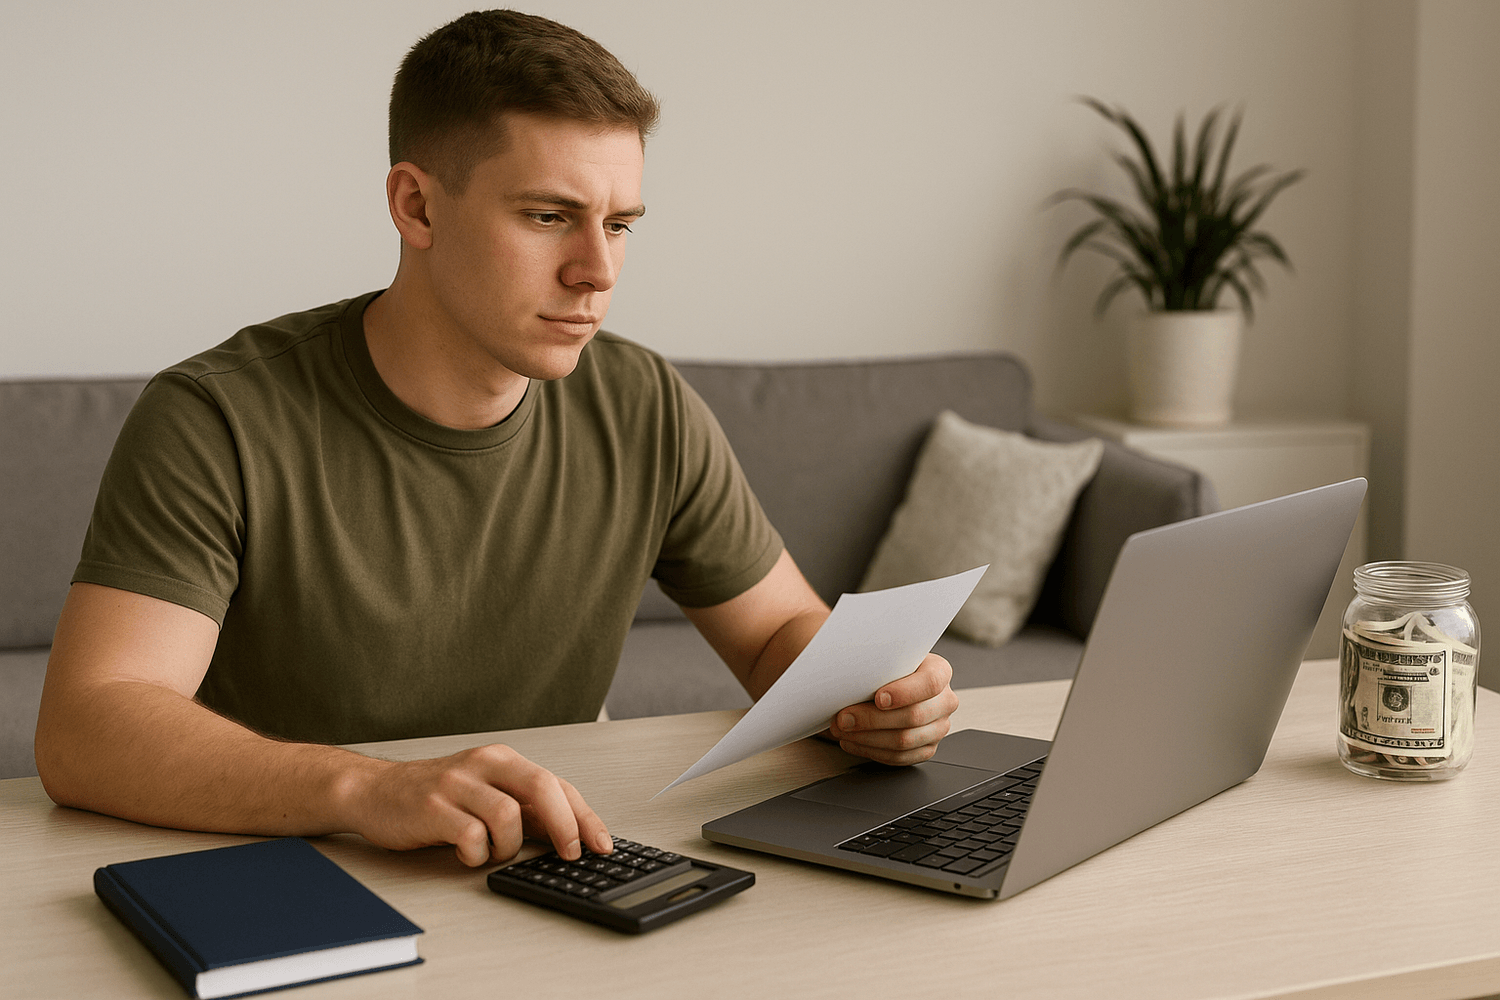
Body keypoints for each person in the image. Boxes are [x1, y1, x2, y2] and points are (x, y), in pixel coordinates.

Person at [34, 9, 957, 868]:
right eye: (549, 216)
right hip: (282, 866)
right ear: (417, 207)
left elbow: (774, 640)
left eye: (621, 224)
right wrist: (368, 789)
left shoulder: (645, 403)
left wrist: (872, 698)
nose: (596, 270)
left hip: (542, 863)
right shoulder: (216, 417)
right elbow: (89, 725)